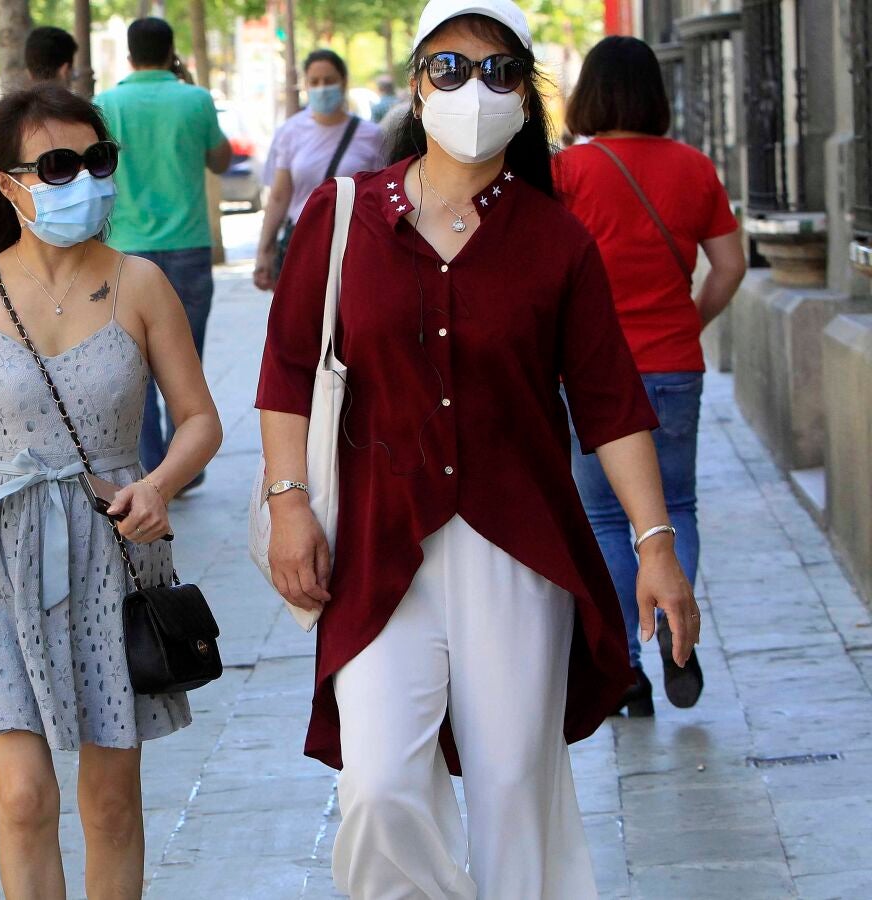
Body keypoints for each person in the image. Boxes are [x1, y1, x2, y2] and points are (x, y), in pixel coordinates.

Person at [258, 2, 701, 896]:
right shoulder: (344, 217)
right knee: (379, 788)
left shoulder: (556, 240)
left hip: (518, 548)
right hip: (378, 546)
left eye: (499, 71)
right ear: (418, 87)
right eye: (450, 68)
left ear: (525, 99)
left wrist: (657, 546)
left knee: (513, 790)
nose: (474, 88)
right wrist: (288, 502)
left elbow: (609, 405)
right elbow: (289, 368)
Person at [0, 85, 221, 897]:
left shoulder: (140, 285)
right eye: (59, 166)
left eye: (98, 160)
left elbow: (200, 419)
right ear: (10, 185)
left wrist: (160, 484)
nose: (85, 180)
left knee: (111, 802)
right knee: (25, 797)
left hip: (115, 551)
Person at [555, 35, 746, 717]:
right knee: (677, 507)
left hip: (591, 373)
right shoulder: (693, 167)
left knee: (607, 516)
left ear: (589, 94)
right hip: (674, 364)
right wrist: (691, 321)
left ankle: (627, 670)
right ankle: (675, 627)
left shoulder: (569, 172)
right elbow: (730, 265)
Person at [95, 17, 230, 487]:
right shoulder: (195, 99)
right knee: (186, 357)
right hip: (189, 244)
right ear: (172, 51)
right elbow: (221, 160)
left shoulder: (105, 104)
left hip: (125, 249)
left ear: (129, 55)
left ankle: (151, 465)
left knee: (133, 365)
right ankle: (184, 461)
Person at [253, 49, 388, 291]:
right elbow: (279, 196)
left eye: (329, 80)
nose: (322, 88)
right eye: (314, 82)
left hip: (355, 247)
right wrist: (264, 250)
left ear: (343, 82)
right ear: (305, 85)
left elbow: (383, 196)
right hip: (303, 244)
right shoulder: (290, 132)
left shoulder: (372, 136)